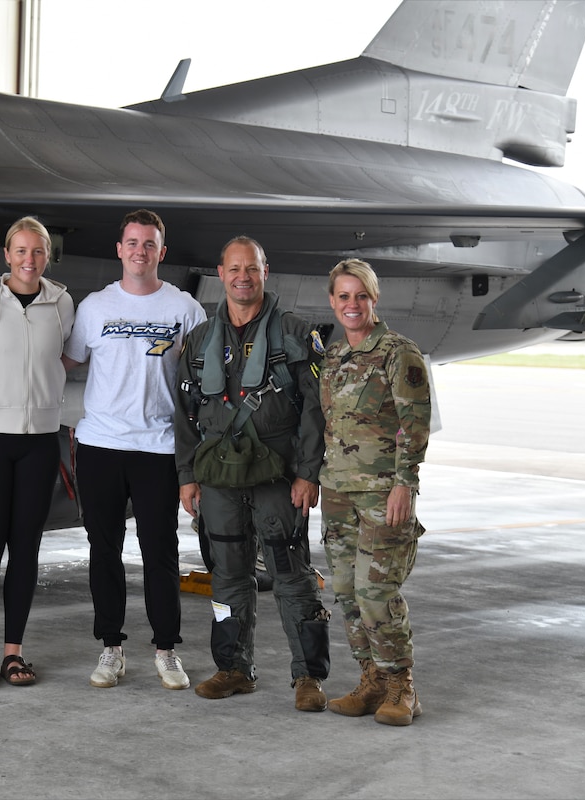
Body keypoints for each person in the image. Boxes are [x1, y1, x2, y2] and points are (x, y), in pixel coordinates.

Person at [174, 236, 330, 710]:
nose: (243, 277)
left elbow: (316, 411)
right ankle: (233, 668)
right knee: (227, 578)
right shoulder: (200, 340)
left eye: (253, 269)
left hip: (279, 477)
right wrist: (186, 475)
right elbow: (184, 412)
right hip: (218, 480)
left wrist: (309, 473)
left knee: (291, 575)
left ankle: (308, 678)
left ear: (265, 273)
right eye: (234, 269)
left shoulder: (296, 334)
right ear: (221, 274)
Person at [62, 209, 206, 690]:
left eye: (149, 244)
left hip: (159, 447)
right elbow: (65, 361)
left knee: (159, 552)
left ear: (161, 253)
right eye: (132, 243)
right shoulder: (95, 308)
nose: (139, 251)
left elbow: (202, 378)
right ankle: (111, 648)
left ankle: (166, 650)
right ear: (119, 250)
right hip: (102, 444)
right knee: (103, 550)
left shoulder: (184, 309)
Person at [0, 216, 75, 689]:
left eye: (39, 252)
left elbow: (66, 355)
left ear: (48, 256)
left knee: (25, 549)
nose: (30, 260)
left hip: (40, 442)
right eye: (21, 251)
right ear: (7, 254)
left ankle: (15, 653)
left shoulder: (63, 303)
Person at [319, 258, 431, 726]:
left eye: (360, 296)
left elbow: (416, 424)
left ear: (374, 299)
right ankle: (371, 682)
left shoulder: (397, 352)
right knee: (345, 591)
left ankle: (401, 687)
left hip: (384, 492)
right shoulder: (333, 355)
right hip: (338, 491)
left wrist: (406, 482)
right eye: (343, 296)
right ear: (333, 301)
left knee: (375, 592)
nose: (352, 305)